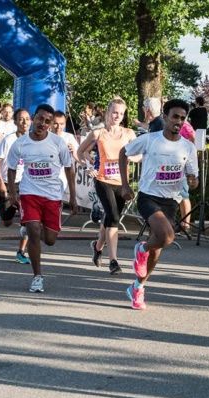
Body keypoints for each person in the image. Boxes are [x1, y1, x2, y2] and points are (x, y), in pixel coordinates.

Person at [119, 99, 199, 310]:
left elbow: (193, 175)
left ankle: (138, 287)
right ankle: (141, 248)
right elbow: (123, 153)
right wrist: (125, 185)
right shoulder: (149, 140)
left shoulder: (188, 147)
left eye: (182, 118)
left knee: (157, 250)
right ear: (164, 117)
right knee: (167, 236)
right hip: (149, 197)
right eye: (174, 116)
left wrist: (193, 180)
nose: (178, 121)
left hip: (171, 201)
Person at [6, 104, 77, 293]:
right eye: (39, 119)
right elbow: (11, 168)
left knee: (50, 239)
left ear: (51, 124)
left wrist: (74, 196)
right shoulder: (20, 143)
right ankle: (37, 276)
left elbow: (69, 168)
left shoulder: (58, 143)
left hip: (53, 196)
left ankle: (27, 229)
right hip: (29, 193)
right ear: (33, 118)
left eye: (47, 121)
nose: (42, 124)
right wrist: (13, 193)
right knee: (34, 232)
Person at [77, 97, 137, 275]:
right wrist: (88, 167)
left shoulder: (129, 134)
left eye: (121, 113)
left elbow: (141, 153)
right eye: (114, 113)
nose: (117, 116)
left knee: (111, 219)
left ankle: (97, 247)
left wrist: (134, 158)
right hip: (103, 180)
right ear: (108, 113)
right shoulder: (97, 133)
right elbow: (81, 152)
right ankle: (114, 261)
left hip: (122, 183)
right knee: (113, 217)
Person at [0, 108, 31, 264]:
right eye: (21, 119)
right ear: (15, 122)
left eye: (27, 119)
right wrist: (0, 182)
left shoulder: (35, 140)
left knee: (28, 219)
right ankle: (1, 209)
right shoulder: (9, 140)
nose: (24, 122)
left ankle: (21, 252)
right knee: (7, 222)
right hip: (8, 182)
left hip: (27, 184)